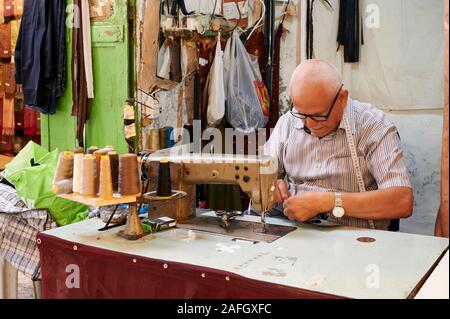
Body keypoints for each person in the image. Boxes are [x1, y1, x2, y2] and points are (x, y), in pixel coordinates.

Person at [264, 59, 413, 230]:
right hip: (296, 232)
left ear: (342, 98)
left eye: (318, 115)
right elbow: (259, 172)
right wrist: (269, 184)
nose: (309, 125)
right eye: (302, 114)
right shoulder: (289, 123)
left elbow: (402, 201)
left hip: (355, 239)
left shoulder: (373, 126)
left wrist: (327, 201)